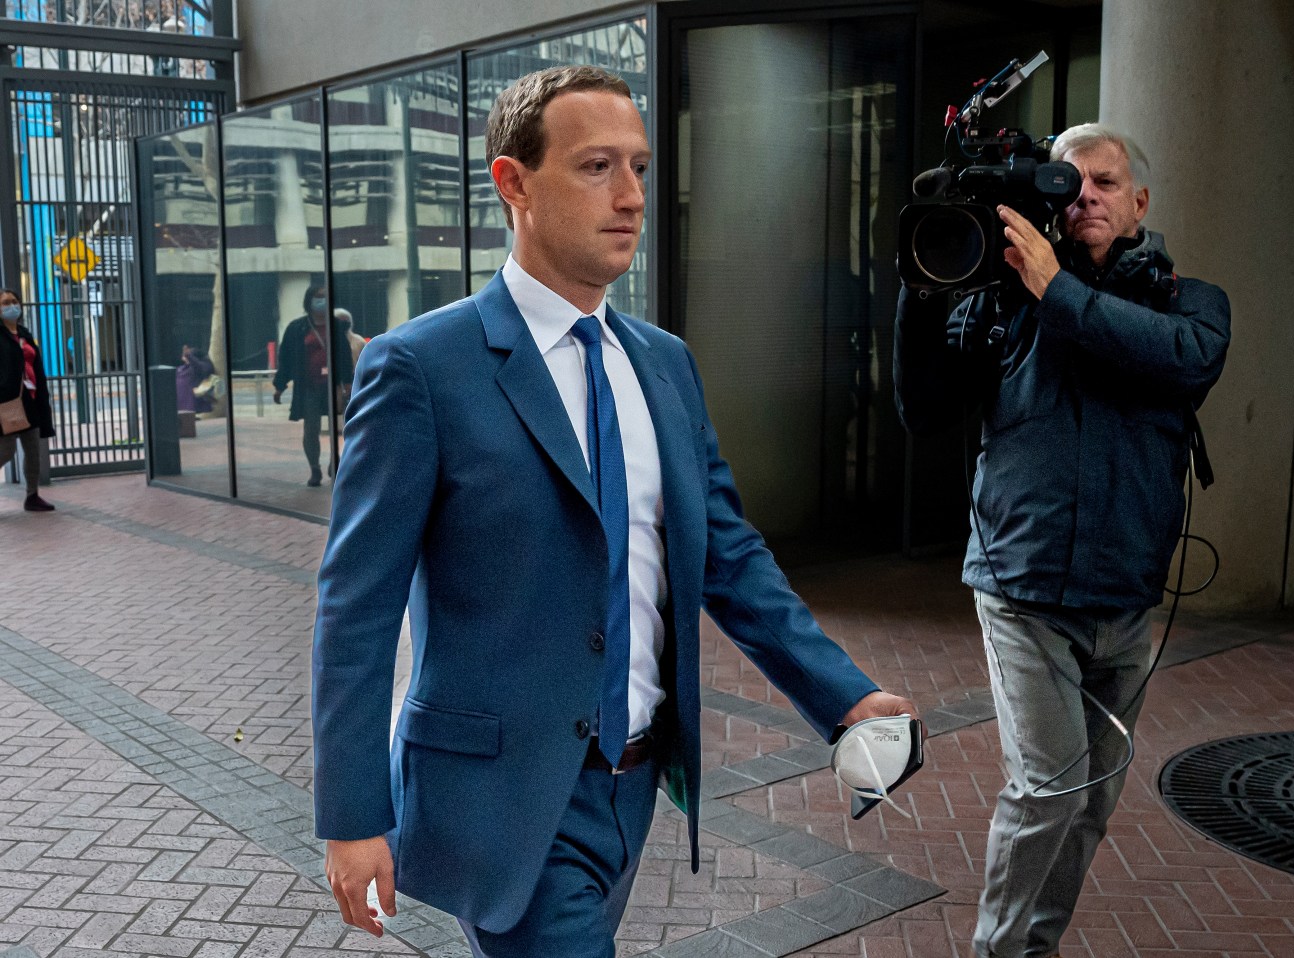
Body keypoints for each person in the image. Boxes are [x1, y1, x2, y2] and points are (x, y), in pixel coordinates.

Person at [312, 65, 918, 958]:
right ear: (514, 183)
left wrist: (846, 696)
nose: (631, 195)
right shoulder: (422, 368)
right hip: (508, 795)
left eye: (638, 167)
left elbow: (728, 557)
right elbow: (355, 607)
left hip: (633, 787)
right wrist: (353, 814)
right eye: (597, 167)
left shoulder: (664, 363)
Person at [893, 124, 1231, 958]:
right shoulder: (1005, 301)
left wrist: (1055, 289)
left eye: (1105, 183)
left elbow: (1183, 360)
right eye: (1069, 184)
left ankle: (1032, 947)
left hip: (1127, 599)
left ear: (1139, 201)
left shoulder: (1189, 304)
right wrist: (925, 280)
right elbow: (924, 409)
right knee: (1049, 787)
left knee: (1091, 801)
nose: (1085, 198)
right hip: (1023, 589)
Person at [273, 285, 353, 486]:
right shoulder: (297, 328)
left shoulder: (336, 326)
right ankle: (315, 468)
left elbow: (344, 356)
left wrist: (348, 383)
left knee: (337, 428)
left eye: (325, 297)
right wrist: (279, 385)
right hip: (308, 387)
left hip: (332, 387)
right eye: (318, 297)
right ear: (309, 300)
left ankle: (334, 462)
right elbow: (286, 359)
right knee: (311, 429)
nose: (321, 301)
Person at [0, 288, 56, 512]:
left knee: (33, 450)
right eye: (5, 303)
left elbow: (35, 364)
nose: (11, 306)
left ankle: (32, 496)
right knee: (6, 449)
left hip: (30, 400)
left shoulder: (24, 333)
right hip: (8, 401)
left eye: (14, 301)